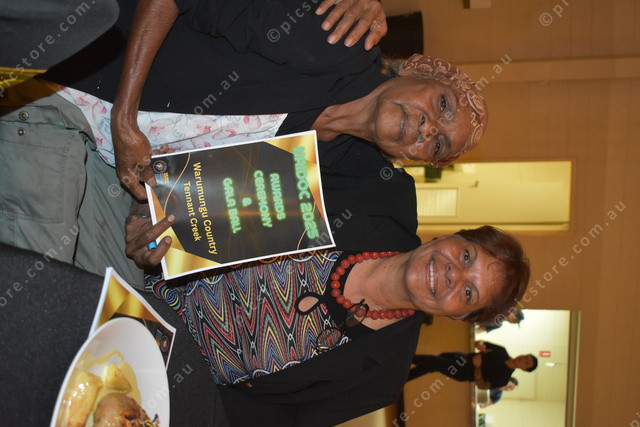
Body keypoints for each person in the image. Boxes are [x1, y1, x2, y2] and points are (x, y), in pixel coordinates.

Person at [0, 0, 403, 287]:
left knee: (117, 306)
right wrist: (125, 116)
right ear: (423, 67)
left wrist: (149, 226)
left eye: (434, 148)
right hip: (79, 89)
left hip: (110, 161)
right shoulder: (334, 42)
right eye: (436, 106)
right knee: (44, 283)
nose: (428, 130)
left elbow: (175, 187)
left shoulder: (322, 161)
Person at [124, 218, 529, 425]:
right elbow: (225, 203)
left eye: (468, 292)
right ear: (452, 237)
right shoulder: (366, 198)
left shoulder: (382, 379)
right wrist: (158, 236)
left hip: (154, 381)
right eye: (467, 256)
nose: (453, 274)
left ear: (457, 315)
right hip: (133, 282)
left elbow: (270, 421)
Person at [407, 340, 537, 389]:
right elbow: (479, 342)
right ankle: (403, 378)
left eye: (526, 362)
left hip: (462, 372)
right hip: (461, 357)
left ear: (524, 369)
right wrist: (480, 345)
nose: (523, 359)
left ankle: (404, 357)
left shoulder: (503, 379)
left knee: (433, 361)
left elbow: (482, 385)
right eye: (526, 356)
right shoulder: (502, 351)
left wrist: (478, 367)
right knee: (431, 365)